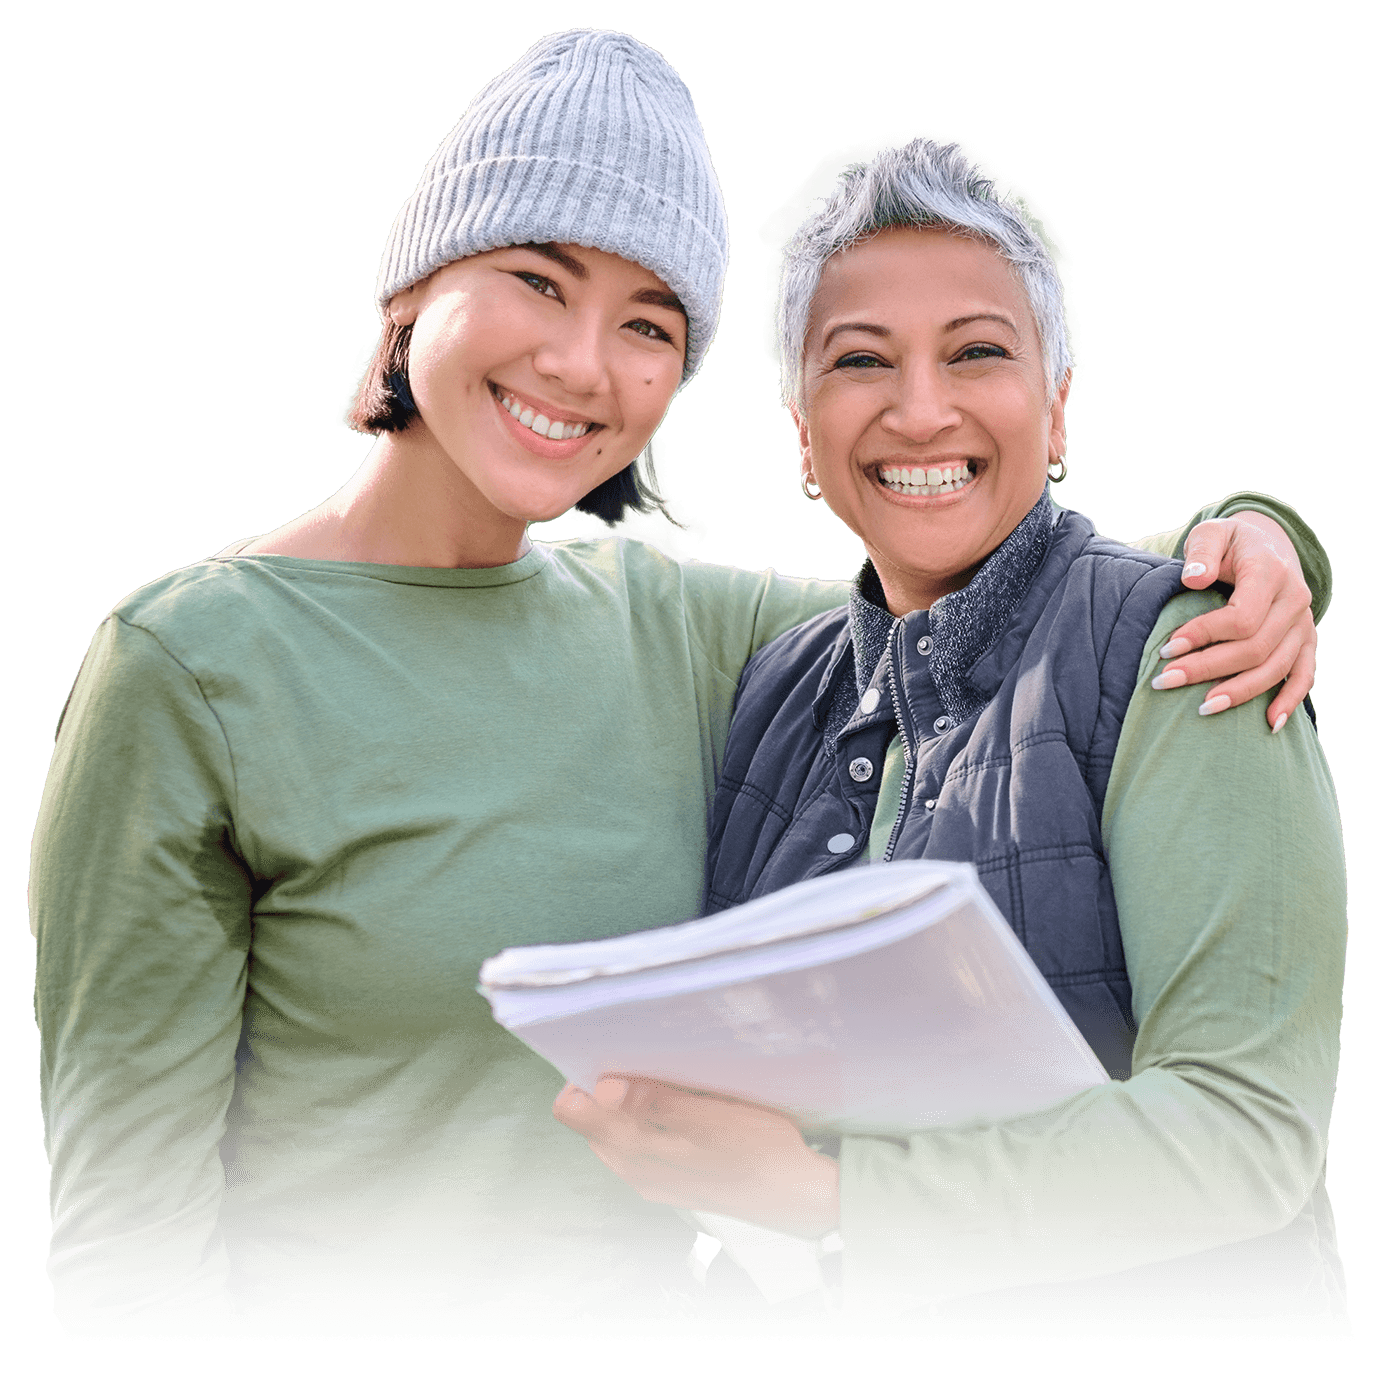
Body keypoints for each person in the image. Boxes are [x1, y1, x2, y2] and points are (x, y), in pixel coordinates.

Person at [32, 34, 1327, 1333]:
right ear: (416, 286)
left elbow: (983, 582)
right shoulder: (185, 669)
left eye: (648, 325)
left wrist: (1252, 546)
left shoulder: (675, 625)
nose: (587, 365)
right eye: (539, 280)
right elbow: (131, 1274)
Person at [554, 135, 1347, 1331]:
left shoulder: (1183, 648)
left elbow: (1243, 1135)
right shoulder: (769, 684)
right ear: (802, 432)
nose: (920, 410)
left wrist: (835, 1199)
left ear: (1055, 402)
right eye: (859, 360)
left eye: (977, 352)